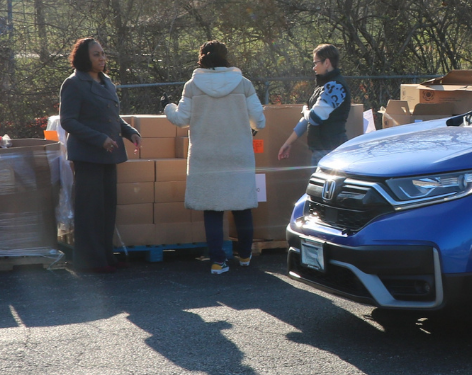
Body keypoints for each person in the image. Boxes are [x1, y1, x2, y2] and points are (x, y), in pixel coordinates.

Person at [164, 41, 265, 274]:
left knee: (212, 208)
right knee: (242, 206)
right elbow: (258, 121)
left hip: (206, 156)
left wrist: (168, 107)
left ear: (202, 58)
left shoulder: (192, 86)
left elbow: (180, 120)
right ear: (226, 57)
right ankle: (246, 257)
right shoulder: (243, 84)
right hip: (238, 154)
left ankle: (218, 262)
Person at [59, 38, 141, 272]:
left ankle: (106, 257)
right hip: (88, 155)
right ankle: (89, 262)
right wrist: (99, 139)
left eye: (103, 53)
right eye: (96, 54)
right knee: (90, 210)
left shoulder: (106, 82)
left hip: (110, 154)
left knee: (106, 208)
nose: (102, 58)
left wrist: (129, 132)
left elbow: (112, 117)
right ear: (84, 57)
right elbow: (68, 121)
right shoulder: (74, 83)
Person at [278, 44, 351, 166]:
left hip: (330, 151)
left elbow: (314, 118)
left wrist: (305, 110)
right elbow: (308, 119)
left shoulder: (335, 86)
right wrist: (288, 143)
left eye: (316, 63)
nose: (314, 68)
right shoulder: (323, 86)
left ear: (326, 62)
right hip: (320, 150)